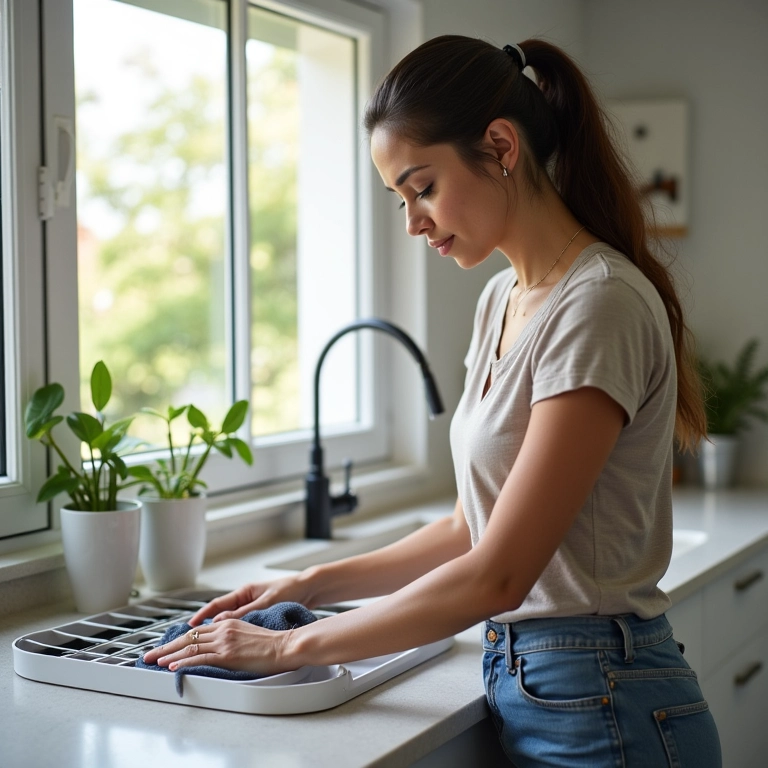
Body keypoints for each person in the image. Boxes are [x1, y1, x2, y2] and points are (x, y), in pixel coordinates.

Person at [143, 36, 722, 766]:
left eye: (422, 187)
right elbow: (468, 527)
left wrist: (288, 644)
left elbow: (500, 573)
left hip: (606, 702)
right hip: (549, 685)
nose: (413, 220)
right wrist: (308, 583)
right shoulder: (501, 301)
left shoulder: (595, 305)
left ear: (501, 146)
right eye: (400, 198)